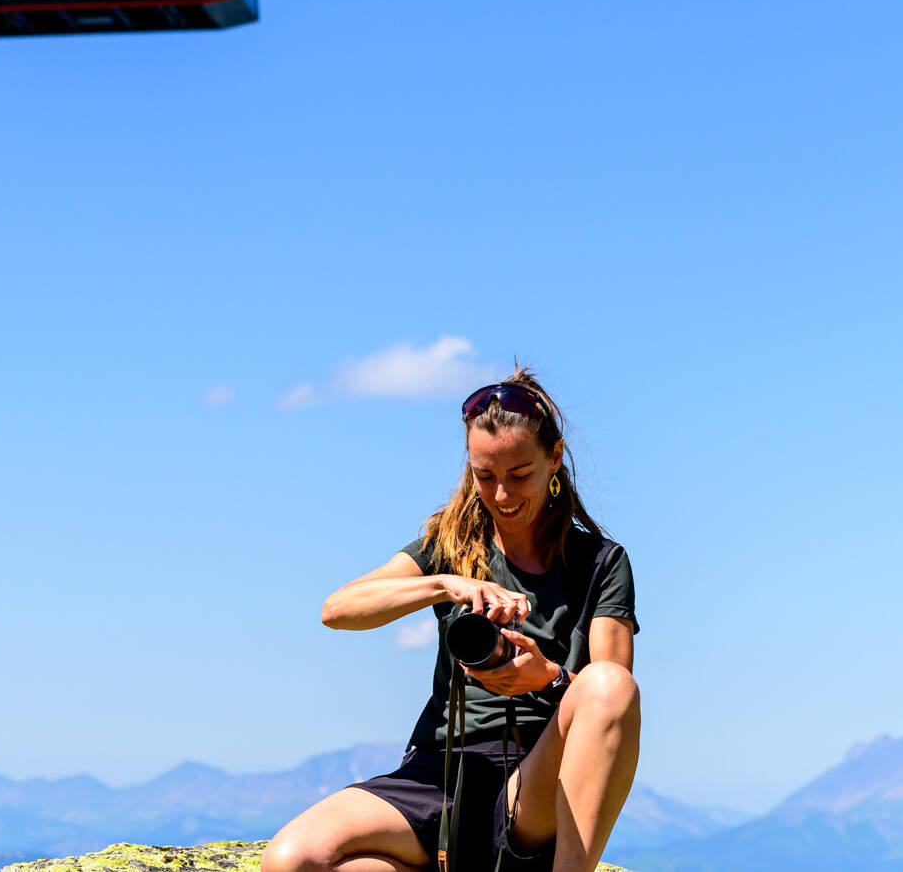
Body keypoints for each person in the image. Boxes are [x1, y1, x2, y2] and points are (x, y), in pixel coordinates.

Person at [262, 367, 640, 872]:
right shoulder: (452, 546)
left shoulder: (601, 563)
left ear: (553, 459)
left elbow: (613, 696)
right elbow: (338, 609)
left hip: (532, 786)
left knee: (607, 685)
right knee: (291, 861)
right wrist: (444, 584)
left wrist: (546, 679)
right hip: (440, 773)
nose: (502, 496)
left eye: (519, 475)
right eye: (485, 476)